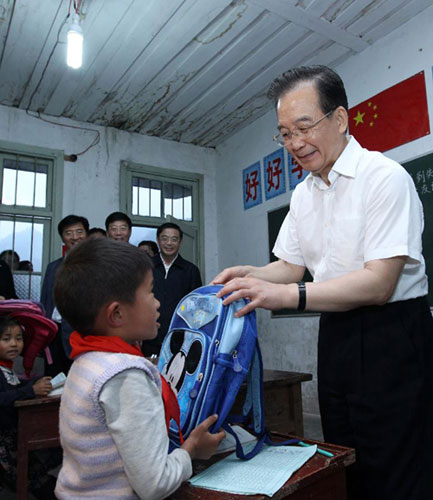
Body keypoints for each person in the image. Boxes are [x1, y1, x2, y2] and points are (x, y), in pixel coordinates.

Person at [213, 65, 433, 500]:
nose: (294, 144)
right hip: (336, 334)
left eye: (303, 127)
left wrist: (283, 295)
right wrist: (249, 275)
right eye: (284, 133)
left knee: (397, 464)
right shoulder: (303, 194)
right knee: (343, 454)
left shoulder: (384, 178)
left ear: (339, 119)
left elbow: (378, 285)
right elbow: (289, 267)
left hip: (394, 335)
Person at [53, 237, 225, 499]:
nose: (157, 303)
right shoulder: (126, 375)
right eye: (150, 292)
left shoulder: (86, 360)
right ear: (117, 314)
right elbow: (155, 484)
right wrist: (191, 450)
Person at [0, 316, 57, 499]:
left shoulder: (7, 369)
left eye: (19, 338)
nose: (14, 344)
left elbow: (15, 387)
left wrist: (34, 383)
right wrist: (31, 390)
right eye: (6, 339)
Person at [142, 222, 202, 356]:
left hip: (180, 338)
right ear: (158, 240)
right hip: (149, 335)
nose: (169, 243)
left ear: (180, 242)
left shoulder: (190, 270)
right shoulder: (145, 267)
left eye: (174, 239)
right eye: (164, 238)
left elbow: (196, 307)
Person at [41, 215, 89, 373]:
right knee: (53, 381)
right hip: (53, 334)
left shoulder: (96, 266)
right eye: (69, 233)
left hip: (80, 335)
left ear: (86, 235)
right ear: (63, 237)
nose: (75, 237)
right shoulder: (53, 267)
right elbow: (45, 300)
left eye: (79, 232)